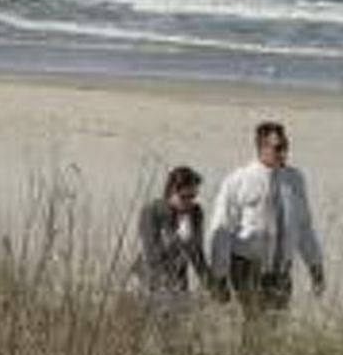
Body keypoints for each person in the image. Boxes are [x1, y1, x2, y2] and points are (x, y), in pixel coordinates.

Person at [205, 122, 325, 313]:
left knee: (276, 325)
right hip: (247, 269)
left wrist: (315, 266)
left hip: (281, 273)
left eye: (285, 146)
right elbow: (222, 229)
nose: (283, 152)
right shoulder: (239, 179)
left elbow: (304, 227)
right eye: (278, 147)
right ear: (262, 147)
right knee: (253, 323)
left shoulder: (295, 179)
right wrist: (219, 276)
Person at [133, 164, 207, 298]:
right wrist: (178, 238)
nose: (189, 202)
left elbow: (197, 256)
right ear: (171, 192)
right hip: (150, 280)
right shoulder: (152, 212)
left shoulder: (195, 213)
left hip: (178, 281)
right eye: (184, 197)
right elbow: (152, 254)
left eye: (193, 196)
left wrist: (212, 285)